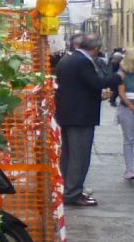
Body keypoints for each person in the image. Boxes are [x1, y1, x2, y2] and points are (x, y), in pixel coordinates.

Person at [55, 32, 117, 206]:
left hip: (68, 114)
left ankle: (66, 190)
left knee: (68, 157)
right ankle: (73, 193)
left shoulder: (67, 59)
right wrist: (119, 76)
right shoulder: (82, 62)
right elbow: (96, 83)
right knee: (79, 157)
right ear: (96, 48)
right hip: (80, 117)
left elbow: (76, 88)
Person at [111, 53, 134, 182]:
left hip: (128, 107)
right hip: (126, 109)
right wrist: (131, 106)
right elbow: (121, 92)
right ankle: (130, 169)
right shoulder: (123, 73)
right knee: (129, 139)